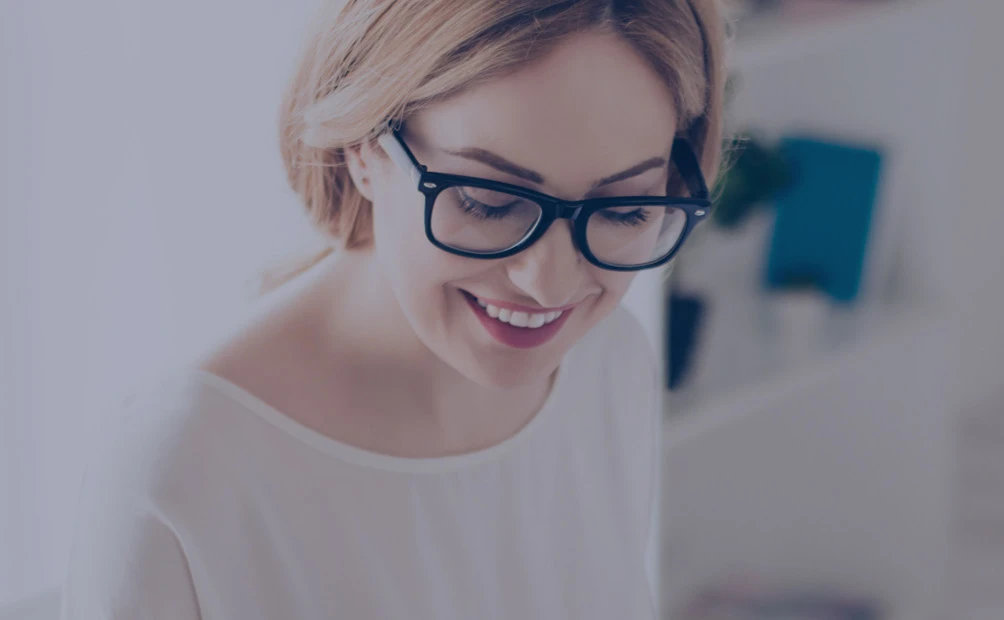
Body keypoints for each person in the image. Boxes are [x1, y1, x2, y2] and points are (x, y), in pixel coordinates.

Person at [60, 0, 725, 617]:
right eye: (488, 201)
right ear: (364, 150)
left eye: (625, 210)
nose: (549, 284)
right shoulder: (184, 469)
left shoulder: (609, 363)